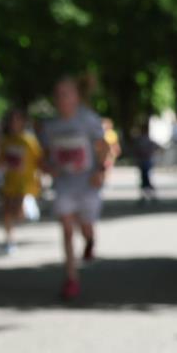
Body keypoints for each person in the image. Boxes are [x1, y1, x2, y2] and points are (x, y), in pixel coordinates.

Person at [42, 76, 107, 299]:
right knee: (67, 229)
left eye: (67, 94)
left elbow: (102, 147)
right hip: (64, 185)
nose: (62, 99)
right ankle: (71, 278)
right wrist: (48, 167)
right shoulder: (50, 126)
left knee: (85, 227)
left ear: (76, 97)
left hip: (87, 184)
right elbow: (44, 156)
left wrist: (100, 170)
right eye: (58, 95)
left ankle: (89, 240)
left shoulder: (88, 120)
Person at [0, 109, 42, 254]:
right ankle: (10, 240)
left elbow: (39, 160)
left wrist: (41, 178)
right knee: (6, 212)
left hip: (25, 182)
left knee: (17, 211)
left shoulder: (29, 141)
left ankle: (29, 207)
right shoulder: (5, 141)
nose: (14, 124)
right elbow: (0, 160)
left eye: (17, 120)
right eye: (11, 120)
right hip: (9, 181)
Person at [131, 123, 160, 204]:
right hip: (145, 161)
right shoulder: (144, 139)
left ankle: (148, 195)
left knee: (145, 178)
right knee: (145, 178)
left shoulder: (143, 140)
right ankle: (148, 195)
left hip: (145, 161)